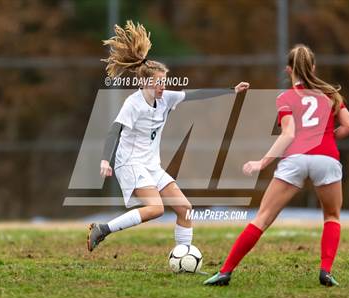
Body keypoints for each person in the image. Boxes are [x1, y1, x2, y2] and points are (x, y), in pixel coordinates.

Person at [87, 20, 249, 252]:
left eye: (164, 81)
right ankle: (103, 229)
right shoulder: (133, 104)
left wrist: (230, 90)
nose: (163, 87)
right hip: (130, 164)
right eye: (158, 82)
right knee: (156, 209)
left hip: (151, 165)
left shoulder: (165, 98)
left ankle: (184, 257)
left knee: (185, 208)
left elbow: (196, 95)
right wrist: (105, 160)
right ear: (144, 82)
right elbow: (115, 130)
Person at [204, 44, 349, 287]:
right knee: (332, 216)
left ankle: (225, 271)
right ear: (313, 67)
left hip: (295, 159)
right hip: (326, 159)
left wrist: (262, 162)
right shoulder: (330, 95)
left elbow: (288, 134)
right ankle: (325, 271)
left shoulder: (285, 98)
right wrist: (325, 138)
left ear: (288, 70)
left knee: (262, 218)